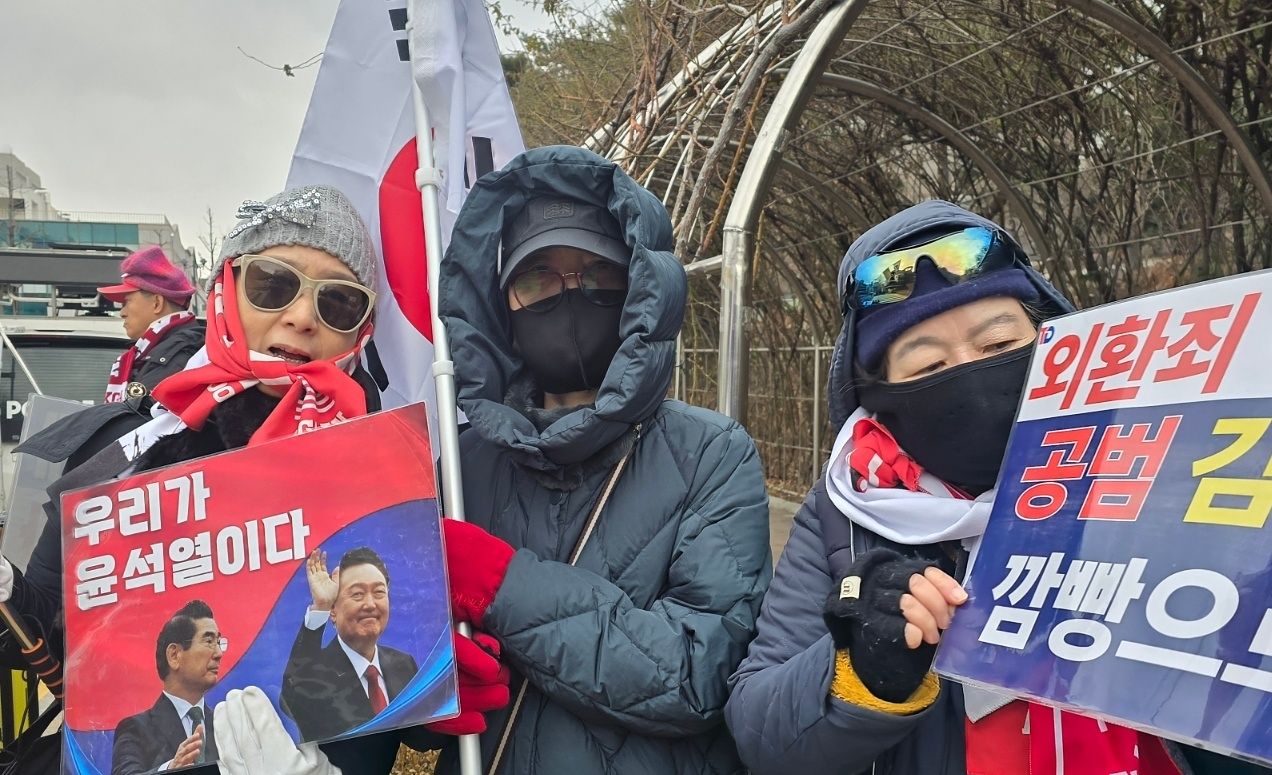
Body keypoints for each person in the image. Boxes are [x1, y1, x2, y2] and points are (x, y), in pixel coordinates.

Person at [724, 199, 1269, 775]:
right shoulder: (846, 511)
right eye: (929, 368)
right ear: (880, 397)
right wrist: (861, 669)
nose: (969, 374)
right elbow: (762, 738)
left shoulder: (1176, 475)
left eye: (1001, 347)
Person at [0, 185, 487, 775]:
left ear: (360, 333)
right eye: (273, 285)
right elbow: (53, 645)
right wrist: (12, 599)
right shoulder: (128, 449)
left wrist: (429, 696)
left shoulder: (391, 478)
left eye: (338, 303)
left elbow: (399, 714)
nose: (303, 317)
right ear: (225, 290)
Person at [427, 145, 772, 774]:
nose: (571, 294)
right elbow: (398, 691)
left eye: (598, 276)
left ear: (640, 288)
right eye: (537, 281)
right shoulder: (457, 465)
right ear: (501, 308)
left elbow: (699, 672)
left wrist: (503, 586)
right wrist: (425, 680)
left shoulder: (711, 453)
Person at [282, 548, 420, 742]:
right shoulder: (315, 674)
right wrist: (320, 606)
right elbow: (293, 694)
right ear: (333, 610)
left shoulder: (404, 664)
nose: (370, 604)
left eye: (379, 592)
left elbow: (421, 740)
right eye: (357, 594)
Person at [112, 600, 224, 775]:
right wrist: (170, 770)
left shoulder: (225, 723)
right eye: (209, 641)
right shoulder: (136, 729)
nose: (218, 653)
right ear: (174, 655)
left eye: (219, 642)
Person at [97, 245, 205, 404]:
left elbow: (137, 422)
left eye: (126, 302)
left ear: (157, 303)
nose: (122, 313)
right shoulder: (163, 350)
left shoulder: (177, 355)